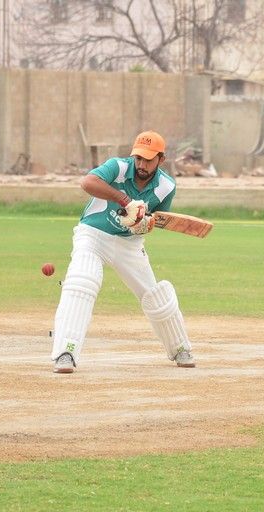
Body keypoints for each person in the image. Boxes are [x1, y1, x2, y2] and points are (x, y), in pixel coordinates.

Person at [49, 130, 195, 373]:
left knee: (155, 296)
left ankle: (181, 348)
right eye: (138, 158)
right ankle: (66, 352)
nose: (142, 164)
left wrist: (143, 225)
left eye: (148, 159)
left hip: (130, 244)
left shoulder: (167, 186)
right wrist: (125, 201)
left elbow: (155, 219)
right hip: (93, 235)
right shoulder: (118, 167)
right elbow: (87, 182)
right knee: (81, 282)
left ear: (161, 159)